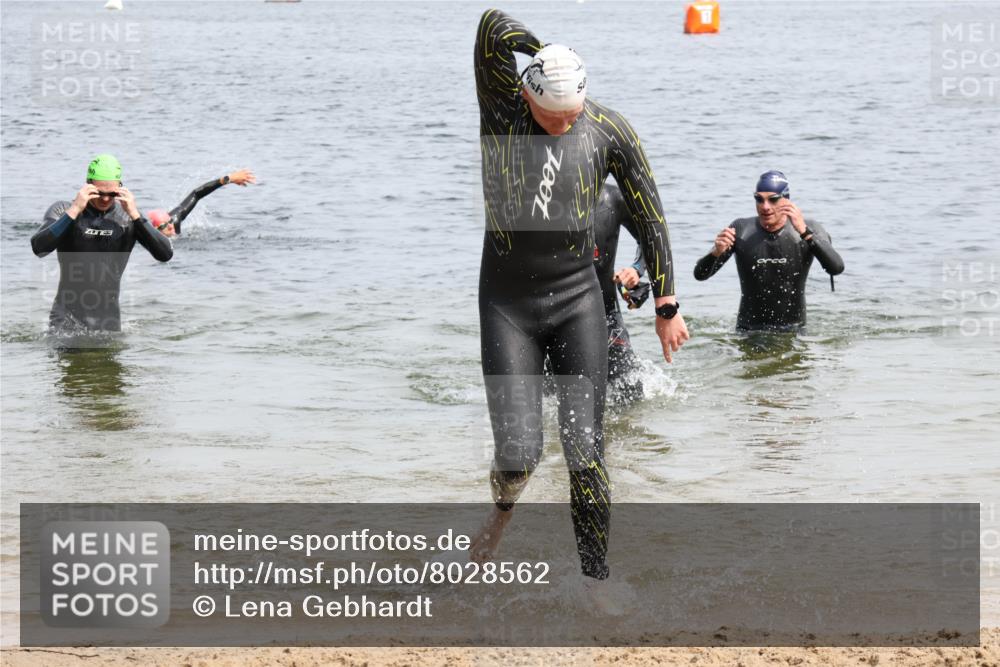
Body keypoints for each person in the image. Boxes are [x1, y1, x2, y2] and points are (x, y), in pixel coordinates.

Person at [471, 9, 689, 587]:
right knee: (518, 457)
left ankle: (596, 583)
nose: (565, 126)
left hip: (577, 302)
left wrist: (666, 303)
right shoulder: (502, 115)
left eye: (573, 116)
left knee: (586, 452)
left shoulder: (609, 130)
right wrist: (549, 54)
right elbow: (492, 26)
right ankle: (501, 511)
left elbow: (651, 214)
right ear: (528, 92)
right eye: (554, 116)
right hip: (508, 306)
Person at [31, 154, 173, 333]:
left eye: (112, 194)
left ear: (120, 188)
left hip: (108, 324)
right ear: (88, 185)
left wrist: (135, 215)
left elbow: (165, 255)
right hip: (65, 323)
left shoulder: (128, 217)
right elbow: (39, 248)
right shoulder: (64, 211)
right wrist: (75, 209)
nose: (105, 199)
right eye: (99, 193)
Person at [693, 170, 844, 330]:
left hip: (794, 331)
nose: (765, 207)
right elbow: (700, 275)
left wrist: (805, 232)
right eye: (759, 199)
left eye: (773, 200)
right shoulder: (741, 229)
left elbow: (836, 268)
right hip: (748, 331)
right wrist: (716, 252)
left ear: (787, 200)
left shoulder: (809, 229)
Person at [146, 169, 256, 237]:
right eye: (164, 225)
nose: (171, 226)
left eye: (169, 221)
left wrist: (228, 179)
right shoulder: (152, 241)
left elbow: (196, 194)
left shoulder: (174, 220)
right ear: (155, 231)